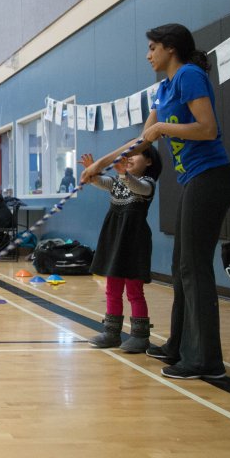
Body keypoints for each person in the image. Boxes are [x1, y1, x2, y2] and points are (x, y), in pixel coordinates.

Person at [82, 23, 230, 380]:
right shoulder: (165, 89)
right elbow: (140, 140)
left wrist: (163, 129)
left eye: (152, 47)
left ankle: (206, 361)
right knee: (183, 264)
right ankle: (180, 346)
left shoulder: (189, 76)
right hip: (193, 181)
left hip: (212, 177)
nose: (148, 54)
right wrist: (101, 166)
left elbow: (208, 128)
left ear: (170, 48)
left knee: (194, 267)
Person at [80, 148, 162, 352]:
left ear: (149, 162)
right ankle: (111, 332)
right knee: (112, 288)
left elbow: (138, 188)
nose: (130, 158)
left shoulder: (147, 184)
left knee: (134, 290)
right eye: (128, 155)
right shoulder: (117, 181)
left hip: (134, 240)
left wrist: (123, 174)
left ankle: (140, 336)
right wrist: (93, 173)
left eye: (136, 155)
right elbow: (101, 182)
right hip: (113, 237)